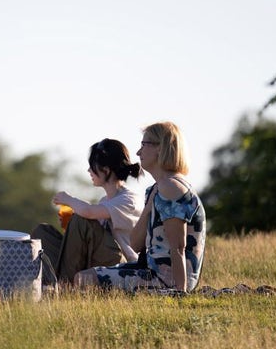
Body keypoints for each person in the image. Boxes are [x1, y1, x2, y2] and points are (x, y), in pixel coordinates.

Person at [75, 122, 206, 293]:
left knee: (85, 280)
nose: (138, 152)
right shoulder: (157, 189)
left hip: (166, 279)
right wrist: (149, 206)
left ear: (161, 147)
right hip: (150, 271)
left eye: (144, 145)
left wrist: (179, 292)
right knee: (83, 277)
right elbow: (135, 244)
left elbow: (178, 247)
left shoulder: (172, 187)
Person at [31, 138, 144, 283]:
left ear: (106, 170)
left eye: (92, 166)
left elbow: (88, 213)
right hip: (99, 256)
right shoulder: (105, 201)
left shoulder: (129, 200)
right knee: (43, 232)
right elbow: (90, 221)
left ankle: (66, 285)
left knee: (81, 219)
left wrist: (68, 199)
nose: (89, 170)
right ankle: (50, 283)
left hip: (121, 264)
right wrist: (70, 225)